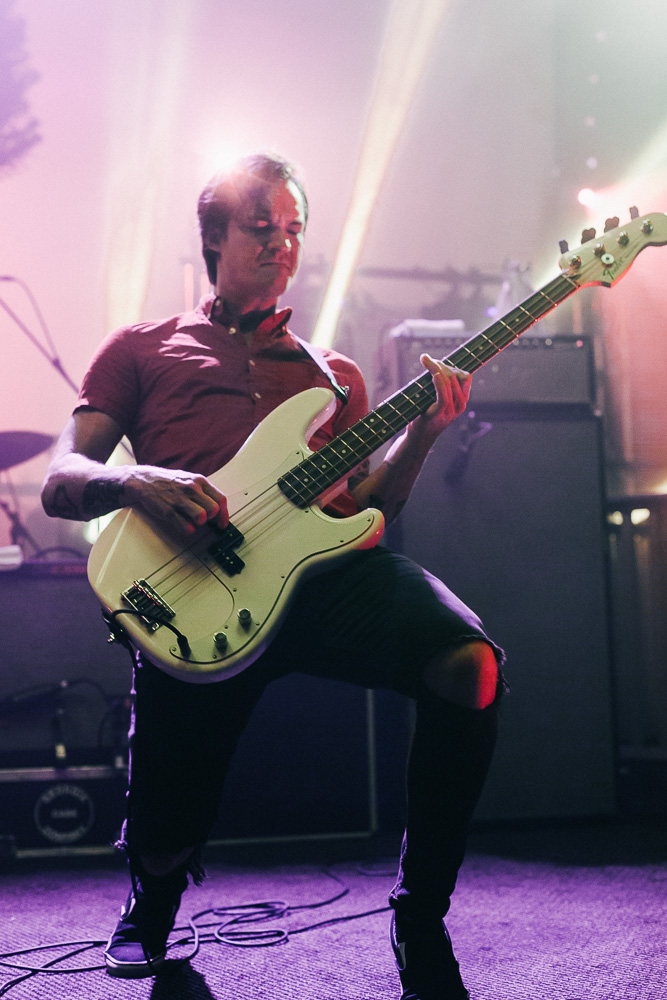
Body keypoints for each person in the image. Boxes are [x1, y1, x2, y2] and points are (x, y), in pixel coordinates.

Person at [41, 152, 505, 1000]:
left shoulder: (334, 376)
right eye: (262, 227)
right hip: (194, 579)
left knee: (467, 664)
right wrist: (139, 481)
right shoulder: (142, 348)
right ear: (214, 236)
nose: (282, 245)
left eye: (293, 230)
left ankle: (419, 911)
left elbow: (366, 507)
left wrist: (424, 435)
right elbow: (61, 477)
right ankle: (153, 902)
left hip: (326, 582)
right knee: (170, 797)